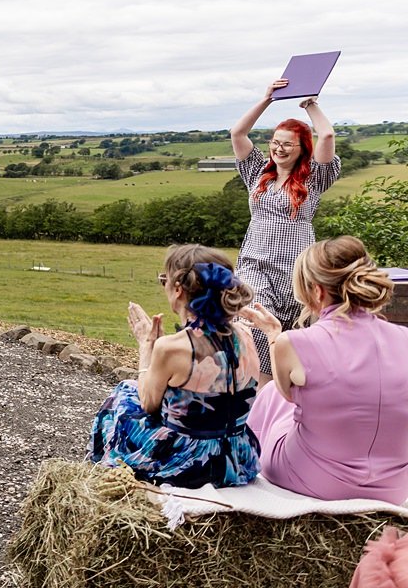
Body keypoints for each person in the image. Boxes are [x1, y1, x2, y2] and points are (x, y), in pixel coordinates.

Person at [243, 236, 408, 503]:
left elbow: (286, 393)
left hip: (313, 479)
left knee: (273, 391)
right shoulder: (404, 337)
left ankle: (245, 460)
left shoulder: (295, 343)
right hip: (395, 487)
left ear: (317, 291)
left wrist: (275, 335)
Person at [89, 244, 262, 488]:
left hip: (190, 465)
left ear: (178, 289)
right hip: (239, 459)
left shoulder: (172, 347)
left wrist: (146, 347)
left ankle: (102, 475)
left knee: (123, 394)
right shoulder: (244, 334)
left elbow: (149, 403)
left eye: (164, 281)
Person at [230, 78, 339, 379]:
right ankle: (262, 396)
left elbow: (327, 134)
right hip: (255, 264)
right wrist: (267, 99)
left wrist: (309, 104)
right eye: (275, 142)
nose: (278, 148)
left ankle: (288, 398)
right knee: (257, 321)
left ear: (302, 147)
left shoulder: (314, 178)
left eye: (287, 143)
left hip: (296, 269)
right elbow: (237, 132)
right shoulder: (256, 172)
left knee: (296, 336)